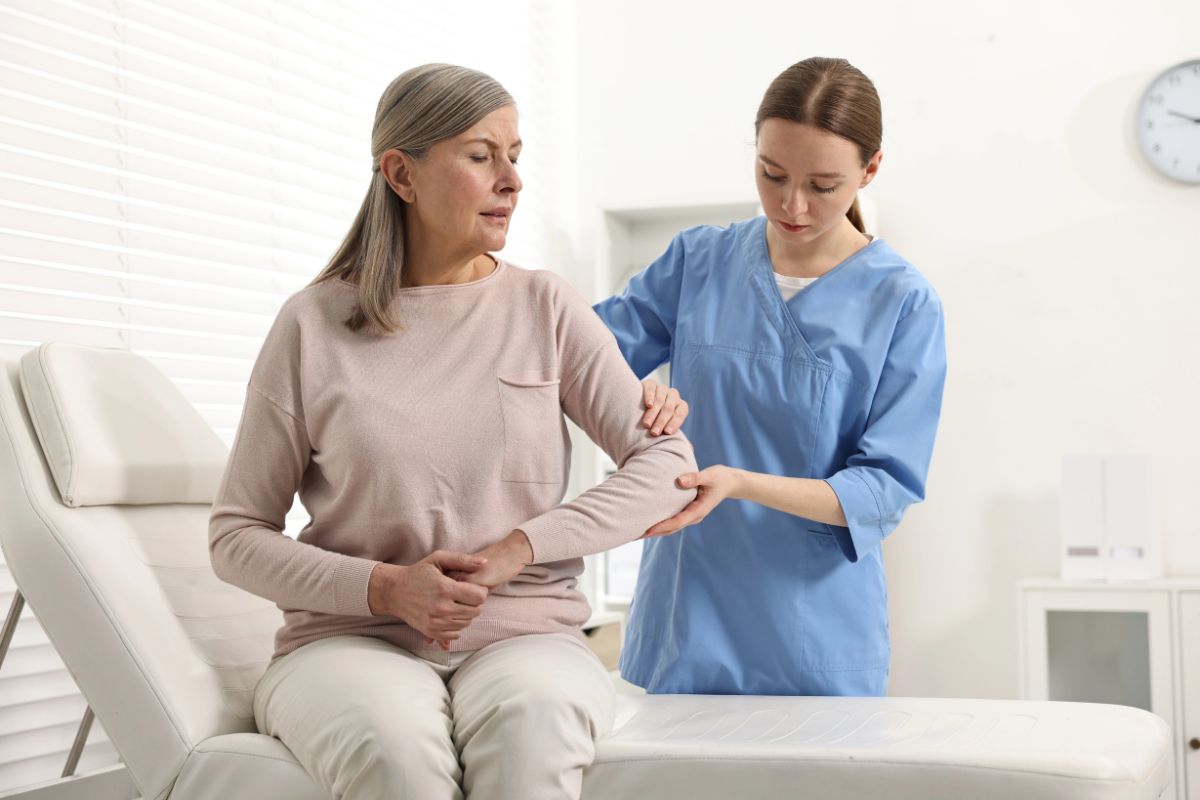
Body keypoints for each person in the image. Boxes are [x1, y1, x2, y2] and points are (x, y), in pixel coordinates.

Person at [208, 63, 697, 800]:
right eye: (481, 155)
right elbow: (236, 535)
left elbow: (668, 464)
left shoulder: (544, 307)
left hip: (528, 635)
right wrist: (384, 588)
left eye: (515, 156)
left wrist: (519, 548)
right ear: (402, 174)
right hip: (348, 641)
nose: (512, 180)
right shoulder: (311, 325)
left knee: (532, 725)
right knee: (393, 747)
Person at [595, 57, 947, 697]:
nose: (792, 204)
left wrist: (738, 483)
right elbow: (582, 359)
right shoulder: (698, 261)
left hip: (813, 634)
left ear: (870, 170)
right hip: (684, 615)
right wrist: (638, 389)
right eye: (772, 174)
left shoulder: (901, 302)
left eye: (823, 185)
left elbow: (883, 486)